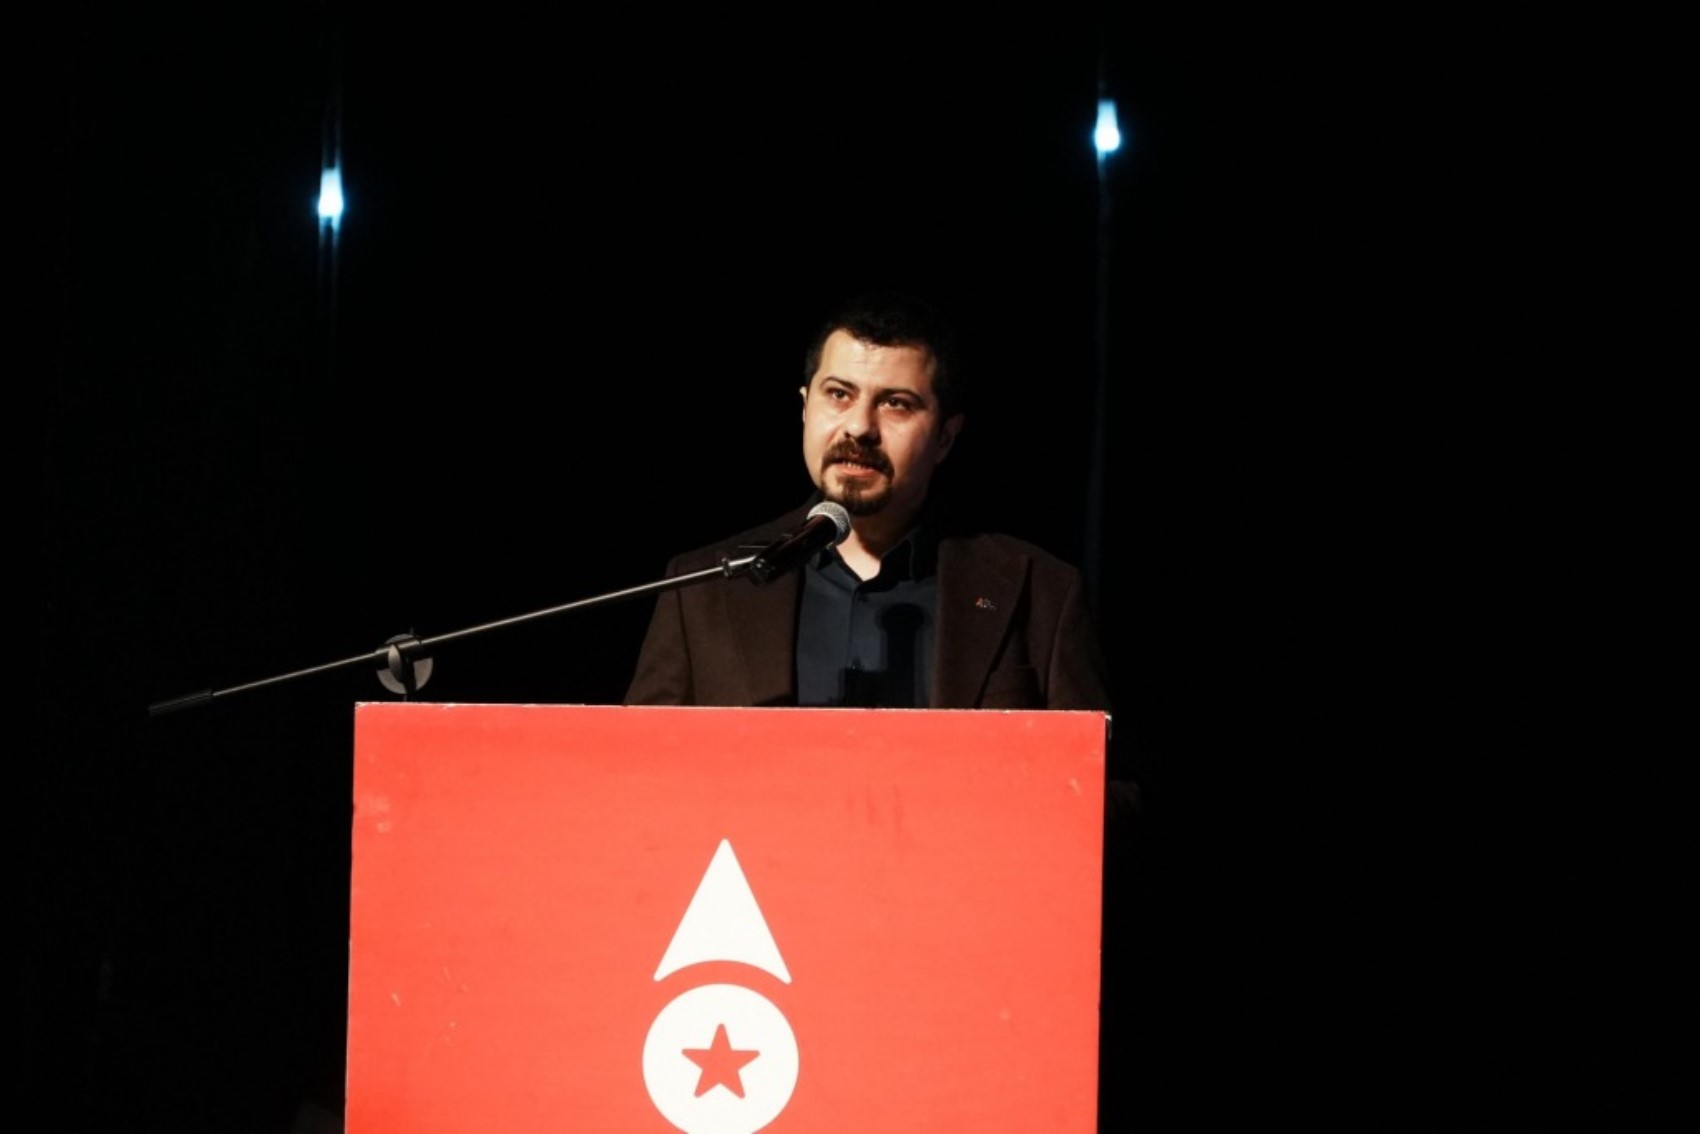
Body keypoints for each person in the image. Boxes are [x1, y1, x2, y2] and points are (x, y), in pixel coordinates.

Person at [625, 290, 1127, 769]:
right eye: (839, 395)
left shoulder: (1040, 591)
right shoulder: (704, 588)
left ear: (946, 437)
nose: (859, 427)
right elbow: (636, 773)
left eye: (896, 404)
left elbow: (1105, 793)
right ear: (805, 408)